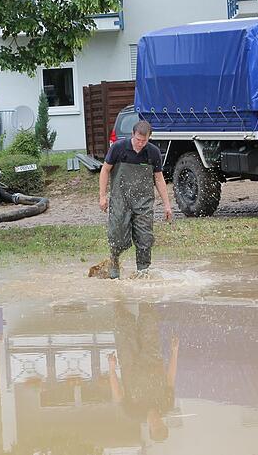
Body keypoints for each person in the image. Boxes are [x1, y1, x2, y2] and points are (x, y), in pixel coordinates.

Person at [98, 120, 174, 279]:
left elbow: (159, 179)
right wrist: (103, 196)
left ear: (149, 138)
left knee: (145, 238)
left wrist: (167, 205)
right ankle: (114, 261)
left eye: (144, 141)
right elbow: (105, 170)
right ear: (132, 135)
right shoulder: (118, 148)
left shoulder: (152, 152)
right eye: (138, 140)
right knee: (117, 235)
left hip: (143, 202)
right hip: (120, 200)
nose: (140, 143)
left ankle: (143, 271)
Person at [108, 302, 179, 444]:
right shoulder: (167, 404)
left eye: (155, 428)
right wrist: (175, 352)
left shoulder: (133, 412)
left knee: (123, 322)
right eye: (161, 425)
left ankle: (116, 292)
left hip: (129, 361)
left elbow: (118, 394)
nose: (157, 423)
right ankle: (142, 288)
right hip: (152, 357)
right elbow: (170, 379)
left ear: (150, 429)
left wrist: (111, 369)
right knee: (148, 319)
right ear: (164, 424)